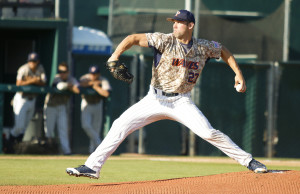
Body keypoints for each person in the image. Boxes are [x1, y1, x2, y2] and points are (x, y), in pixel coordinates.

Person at [66, 10, 267, 179]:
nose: (174, 25)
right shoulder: (164, 40)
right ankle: (92, 166)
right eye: (174, 22)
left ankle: (248, 160)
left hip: (181, 101)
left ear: (190, 26)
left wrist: (238, 74)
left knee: (208, 133)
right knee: (120, 124)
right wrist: (115, 55)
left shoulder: (202, 47)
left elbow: (223, 50)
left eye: (179, 22)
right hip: (154, 99)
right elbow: (132, 38)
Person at [9, 52, 47, 147]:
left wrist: (30, 80)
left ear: (37, 61)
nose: (32, 63)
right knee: (19, 126)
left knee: (24, 127)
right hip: (21, 98)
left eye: (34, 61)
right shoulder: (23, 68)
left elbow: (43, 83)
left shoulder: (40, 68)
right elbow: (18, 83)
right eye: (30, 61)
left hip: (32, 99)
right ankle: (9, 142)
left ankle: (16, 146)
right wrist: (33, 80)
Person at [43, 62, 79, 155]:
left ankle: (67, 152)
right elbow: (59, 86)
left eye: (64, 71)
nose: (61, 73)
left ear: (68, 72)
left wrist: (70, 86)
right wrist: (69, 86)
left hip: (61, 106)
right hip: (50, 106)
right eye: (60, 71)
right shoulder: (56, 78)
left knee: (63, 129)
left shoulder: (71, 79)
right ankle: (47, 150)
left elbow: (77, 90)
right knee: (49, 130)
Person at [79, 65, 111, 153]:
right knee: (85, 125)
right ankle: (99, 144)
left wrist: (96, 87)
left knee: (96, 128)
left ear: (98, 74)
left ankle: (92, 151)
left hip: (97, 104)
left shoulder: (103, 80)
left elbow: (106, 94)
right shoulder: (85, 78)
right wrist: (91, 83)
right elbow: (79, 84)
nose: (93, 76)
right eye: (92, 73)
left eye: (95, 74)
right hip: (86, 103)